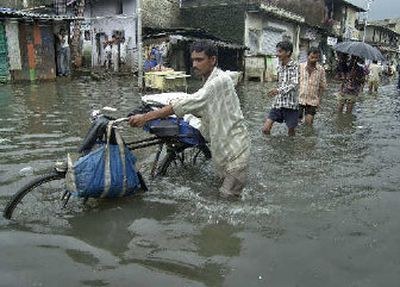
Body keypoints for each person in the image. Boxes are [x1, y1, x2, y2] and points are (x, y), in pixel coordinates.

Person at [129, 40, 250, 198]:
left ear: (212, 60)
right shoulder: (214, 79)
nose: (194, 64)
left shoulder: (217, 83)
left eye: (199, 60)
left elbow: (186, 103)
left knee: (227, 202)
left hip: (235, 153)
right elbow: (201, 104)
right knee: (224, 198)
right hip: (223, 150)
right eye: (193, 60)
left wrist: (145, 118)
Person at [263, 41, 299, 136]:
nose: (277, 54)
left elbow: (294, 83)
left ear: (288, 52)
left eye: (280, 52)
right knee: (265, 129)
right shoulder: (279, 65)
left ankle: (290, 149)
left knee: (291, 132)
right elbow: (280, 83)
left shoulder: (295, 66)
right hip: (278, 103)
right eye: (277, 51)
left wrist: (278, 90)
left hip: (290, 104)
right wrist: (274, 90)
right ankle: (270, 149)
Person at [298, 47, 327, 126]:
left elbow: (322, 86)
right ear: (307, 56)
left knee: (309, 124)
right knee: (295, 122)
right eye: (312, 57)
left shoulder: (321, 70)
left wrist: (319, 100)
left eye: (316, 58)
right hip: (299, 99)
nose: (314, 60)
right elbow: (294, 82)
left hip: (312, 100)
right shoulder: (300, 67)